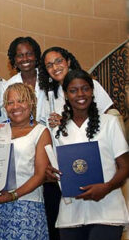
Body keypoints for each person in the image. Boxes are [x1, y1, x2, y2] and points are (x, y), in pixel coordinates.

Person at [38, 46, 113, 240]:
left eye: (58, 61)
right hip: (68, 166)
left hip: (96, 160)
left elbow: (110, 117)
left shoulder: (90, 85)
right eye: (49, 65)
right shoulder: (50, 96)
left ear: (68, 61)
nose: (55, 67)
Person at [49, 69, 129, 240]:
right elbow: (57, 170)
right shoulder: (58, 130)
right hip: (70, 215)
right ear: (65, 94)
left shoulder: (109, 123)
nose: (80, 94)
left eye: (85, 88)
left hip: (107, 211)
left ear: (92, 91)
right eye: (73, 90)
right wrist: (50, 175)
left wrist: (106, 187)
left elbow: (125, 167)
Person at [0, 83, 51, 239]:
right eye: (10, 102)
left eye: (21, 101)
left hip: (25, 204)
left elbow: (40, 175)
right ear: (5, 107)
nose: (15, 106)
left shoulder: (41, 132)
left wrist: (12, 195)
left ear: (31, 103)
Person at [6, 36, 43, 121]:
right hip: (21, 132)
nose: (25, 59)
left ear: (36, 56)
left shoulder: (48, 79)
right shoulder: (8, 85)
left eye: (29, 54)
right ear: (14, 59)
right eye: (20, 55)